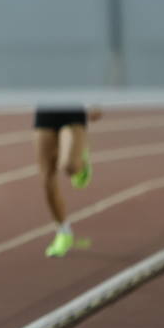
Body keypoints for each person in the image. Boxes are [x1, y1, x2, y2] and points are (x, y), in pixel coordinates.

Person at [34, 107, 100, 257]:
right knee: (46, 178)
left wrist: (96, 102)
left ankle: (81, 161)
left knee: (70, 167)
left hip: (72, 107)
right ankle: (63, 232)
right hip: (46, 108)